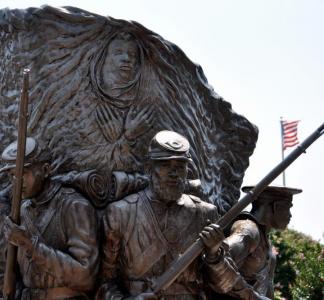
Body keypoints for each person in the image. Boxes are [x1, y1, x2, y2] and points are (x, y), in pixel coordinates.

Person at [96, 130, 266, 300]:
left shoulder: (205, 213)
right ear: (149, 168)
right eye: (165, 165)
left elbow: (223, 286)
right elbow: (105, 283)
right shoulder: (120, 213)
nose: (173, 172)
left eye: (180, 166)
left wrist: (214, 255)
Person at [1, 137, 99, 300]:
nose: (17, 182)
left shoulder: (74, 206)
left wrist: (29, 244)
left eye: (23, 173)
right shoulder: (21, 210)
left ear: (46, 170)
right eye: (12, 175)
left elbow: (85, 277)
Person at [222, 185, 301, 299]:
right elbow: (218, 264)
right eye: (288, 207)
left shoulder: (265, 239)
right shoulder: (248, 230)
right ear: (276, 207)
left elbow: (268, 288)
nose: (290, 215)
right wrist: (250, 294)